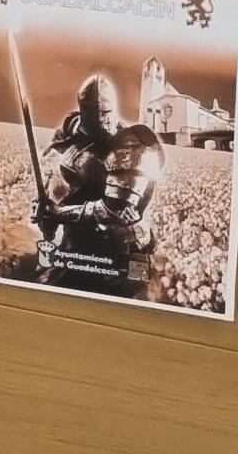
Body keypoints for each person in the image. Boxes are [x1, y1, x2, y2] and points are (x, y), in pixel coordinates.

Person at [32, 73, 154, 295]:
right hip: (77, 236)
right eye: (91, 112)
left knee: (128, 298)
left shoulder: (131, 147)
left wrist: (57, 213)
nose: (99, 118)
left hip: (121, 241)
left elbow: (112, 211)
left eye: (104, 112)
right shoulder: (74, 128)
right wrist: (45, 207)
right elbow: (55, 167)